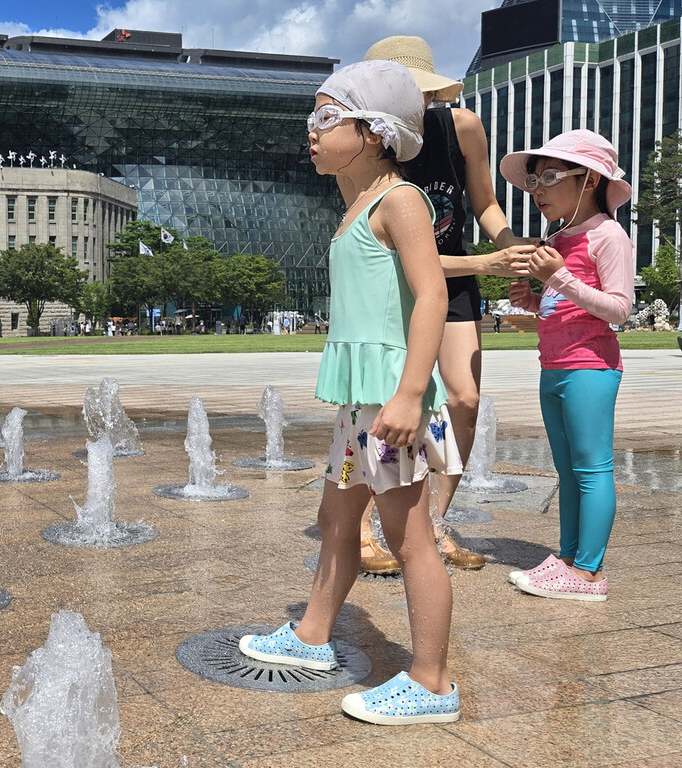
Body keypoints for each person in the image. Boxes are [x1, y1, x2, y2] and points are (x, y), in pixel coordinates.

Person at [239, 60, 463, 725]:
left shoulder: (400, 200)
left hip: (389, 398)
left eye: (326, 118)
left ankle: (431, 682)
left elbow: (432, 297)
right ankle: (312, 635)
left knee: (409, 535)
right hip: (360, 399)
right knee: (339, 520)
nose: (311, 131)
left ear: (373, 131)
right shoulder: (359, 202)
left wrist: (410, 394)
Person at [360, 36, 534, 571]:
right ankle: (368, 524)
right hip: (392, 282)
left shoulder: (462, 126)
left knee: (465, 399)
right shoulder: (368, 144)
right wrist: (485, 264)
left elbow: (483, 203)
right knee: (381, 401)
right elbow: (392, 249)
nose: (424, 104)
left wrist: (511, 246)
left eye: (427, 94)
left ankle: (435, 523)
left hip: (455, 280)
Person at [503, 129, 635, 601]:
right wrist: (535, 297)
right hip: (554, 366)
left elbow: (620, 309)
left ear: (590, 180)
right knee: (567, 470)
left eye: (550, 178)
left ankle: (589, 573)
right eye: (534, 182)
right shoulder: (561, 237)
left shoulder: (609, 235)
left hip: (591, 368)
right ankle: (567, 559)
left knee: (593, 469)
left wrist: (555, 276)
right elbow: (568, 304)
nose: (538, 191)